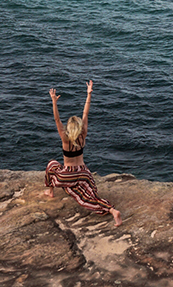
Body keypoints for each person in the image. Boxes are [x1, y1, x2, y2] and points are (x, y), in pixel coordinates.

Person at [44, 79, 122, 226]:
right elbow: (86, 112)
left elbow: (57, 119)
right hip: (84, 173)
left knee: (52, 165)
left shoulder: (65, 139)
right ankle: (111, 210)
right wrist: (89, 94)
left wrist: (54, 102)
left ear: (69, 127)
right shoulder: (83, 134)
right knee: (91, 195)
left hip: (67, 175)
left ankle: (50, 191)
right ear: (79, 127)